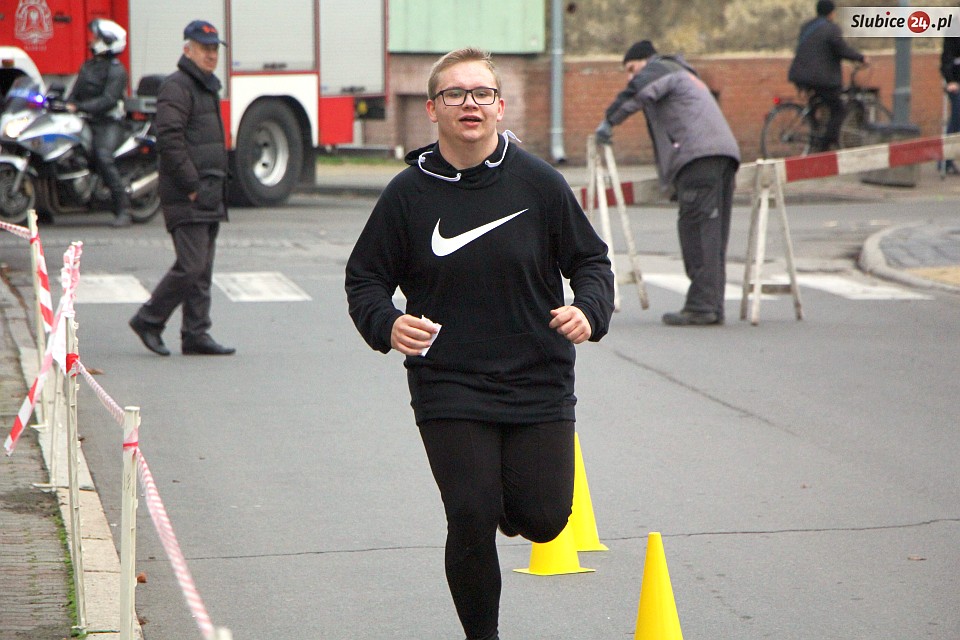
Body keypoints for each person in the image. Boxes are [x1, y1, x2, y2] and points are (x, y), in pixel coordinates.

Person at [345, 47, 614, 640]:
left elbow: (591, 261)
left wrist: (589, 311)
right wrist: (387, 324)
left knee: (545, 519)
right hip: (449, 380)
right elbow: (365, 279)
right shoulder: (407, 195)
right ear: (432, 109)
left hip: (537, 375)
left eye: (481, 94)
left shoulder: (539, 183)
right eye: (454, 94)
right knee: (469, 514)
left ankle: (507, 503)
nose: (469, 104)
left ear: (499, 106)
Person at [594, 40, 740, 326]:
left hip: (699, 159)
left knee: (697, 231)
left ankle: (701, 307)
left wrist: (609, 120)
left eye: (632, 68)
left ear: (646, 60)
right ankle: (712, 306)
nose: (630, 76)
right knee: (713, 235)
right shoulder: (684, 73)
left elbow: (638, 92)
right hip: (721, 157)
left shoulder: (659, 69)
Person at [128, 20, 234, 356]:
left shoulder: (206, 85)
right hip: (188, 192)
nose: (211, 55)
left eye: (215, 49)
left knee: (202, 270)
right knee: (191, 266)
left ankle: (195, 333)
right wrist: (191, 185)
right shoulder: (177, 86)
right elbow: (170, 139)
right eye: (205, 49)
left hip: (209, 189)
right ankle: (149, 319)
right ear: (188, 50)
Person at [66, 19, 131, 228]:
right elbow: (74, 93)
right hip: (85, 120)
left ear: (108, 42)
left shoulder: (117, 70)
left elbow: (108, 100)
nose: (92, 40)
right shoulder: (89, 65)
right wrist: (63, 103)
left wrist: (79, 107)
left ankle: (123, 209)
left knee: (103, 156)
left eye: (96, 37)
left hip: (109, 123)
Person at [787, 0, 869, 152]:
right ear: (831, 13)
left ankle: (815, 135)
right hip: (820, 78)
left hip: (801, 74)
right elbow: (842, 49)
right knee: (839, 110)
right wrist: (861, 58)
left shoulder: (807, 26)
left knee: (817, 104)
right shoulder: (831, 29)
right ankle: (825, 145)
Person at [940, 36, 960, 174]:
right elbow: (946, 59)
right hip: (956, 82)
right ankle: (945, 159)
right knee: (956, 119)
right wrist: (950, 80)